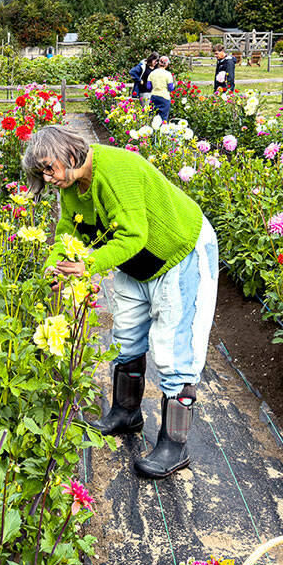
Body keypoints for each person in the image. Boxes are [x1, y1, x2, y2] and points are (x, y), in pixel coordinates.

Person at [22, 125, 219, 478]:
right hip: (137, 260)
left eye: (49, 168)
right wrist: (54, 265)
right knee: (126, 336)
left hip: (179, 252)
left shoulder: (116, 170)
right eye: (41, 174)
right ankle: (126, 412)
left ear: (69, 152)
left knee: (173, 351)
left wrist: (89, 265)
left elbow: (134, 233)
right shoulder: (71, 186)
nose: (48, 178)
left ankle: (175, 445)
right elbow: (68, 228)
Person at [146, 55, 175, 121]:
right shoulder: (168, 74)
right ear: (166, 64)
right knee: (163, 119)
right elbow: (170, 88)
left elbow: (148, 87)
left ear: (159, 63)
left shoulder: (152, 73)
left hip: (154, 97)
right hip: (164, 98)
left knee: (152, 118)